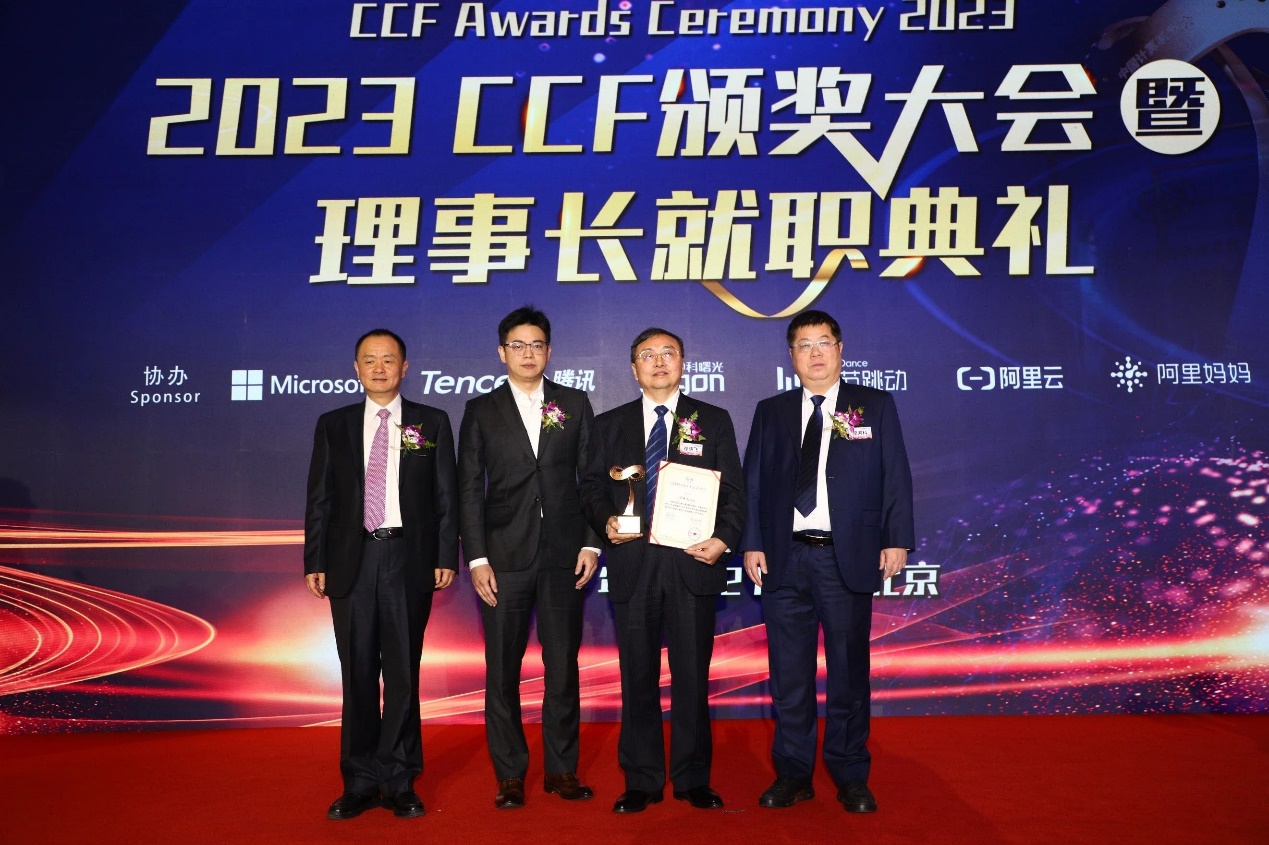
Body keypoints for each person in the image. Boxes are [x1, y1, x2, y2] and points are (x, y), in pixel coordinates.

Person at [741, 310, 914, 814]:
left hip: (846, 556)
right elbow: (753, 482)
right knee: (789, 676)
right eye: (804, 344)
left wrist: (897, 539)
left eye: (823, 343)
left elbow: (895, 475)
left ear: (840, 349)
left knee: (848, 674)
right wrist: (752, 543)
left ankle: (850, 774)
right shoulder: (771, 411)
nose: (815, 353)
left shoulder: (872, 405)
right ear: (791, 355)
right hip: (784, 556)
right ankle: (793, 774)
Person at [580, 328, 744, 814]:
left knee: (692, 676)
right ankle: (642, 780)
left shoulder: (712, 420)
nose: (658, 362)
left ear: (683, 363)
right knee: (637, 676)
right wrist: (605, 521)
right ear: (634, 368)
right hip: (633, 562)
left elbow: (735, 491)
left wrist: (724, 539)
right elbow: (590, 487)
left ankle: (693, 778)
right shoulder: (610, 424)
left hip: (692, 561)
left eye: (668, 353)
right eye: (647, 355)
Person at [304, 328, 458, 820]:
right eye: (369, 360)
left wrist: (445, 555)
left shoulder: (431, 421)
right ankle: (359, 781)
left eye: (388, 359)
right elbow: (320, 498)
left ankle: (400, 779)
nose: (378, 368)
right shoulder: (334, 424)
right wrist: (315, 561)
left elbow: (446, 496)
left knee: (403, 673)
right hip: (351, 560)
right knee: (358, 674)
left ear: (404, 368)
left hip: (407, 558)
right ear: (356, 368)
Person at [457, 306, 600, 809]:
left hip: (564, 556)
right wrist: (477, 558)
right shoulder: (481, 410)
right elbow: (469, 489)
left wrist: (590, 543)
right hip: (503, 557)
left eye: (536, 345)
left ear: (549, 351)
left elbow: (591, 479)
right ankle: (510, 775)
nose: (528, 353)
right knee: (502, 669)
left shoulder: (574, 403)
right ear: (502, 353)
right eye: (517, 345)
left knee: (562, 665)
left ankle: (561, 770)